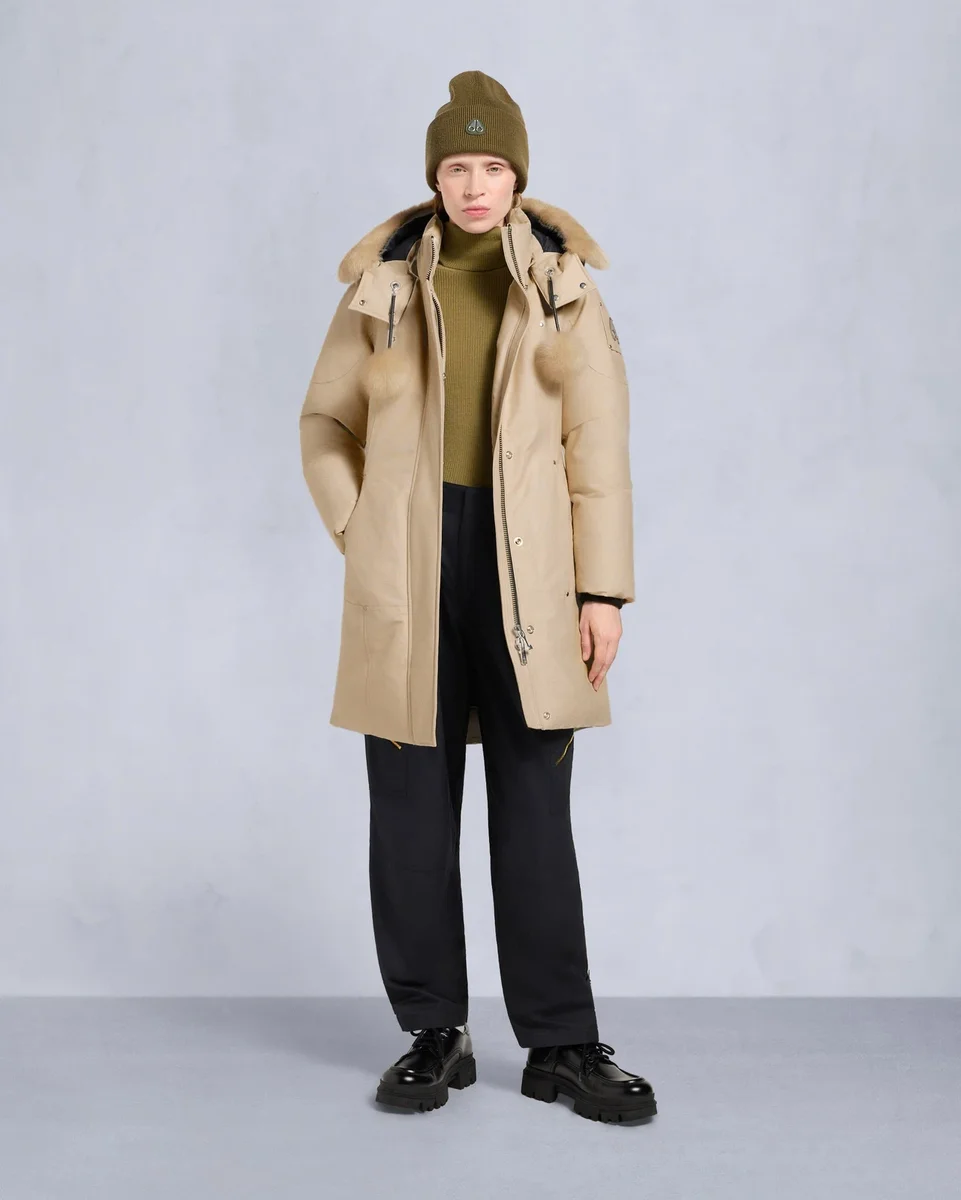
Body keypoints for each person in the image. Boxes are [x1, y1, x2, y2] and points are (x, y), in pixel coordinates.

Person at [299, 70, 656, 1124]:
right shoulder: (379, 289)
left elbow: (598, 448)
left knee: (535, 809)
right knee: (410, 809)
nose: (472, 185)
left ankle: (562, 1044)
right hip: (408, 569)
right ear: (433, 177)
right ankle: (434, 1034)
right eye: (456, 166)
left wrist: (602, 591)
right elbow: (323, 424)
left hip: (530, 573)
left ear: (516, 178)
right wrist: (362, 529)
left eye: (491, 166)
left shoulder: (563, 288)